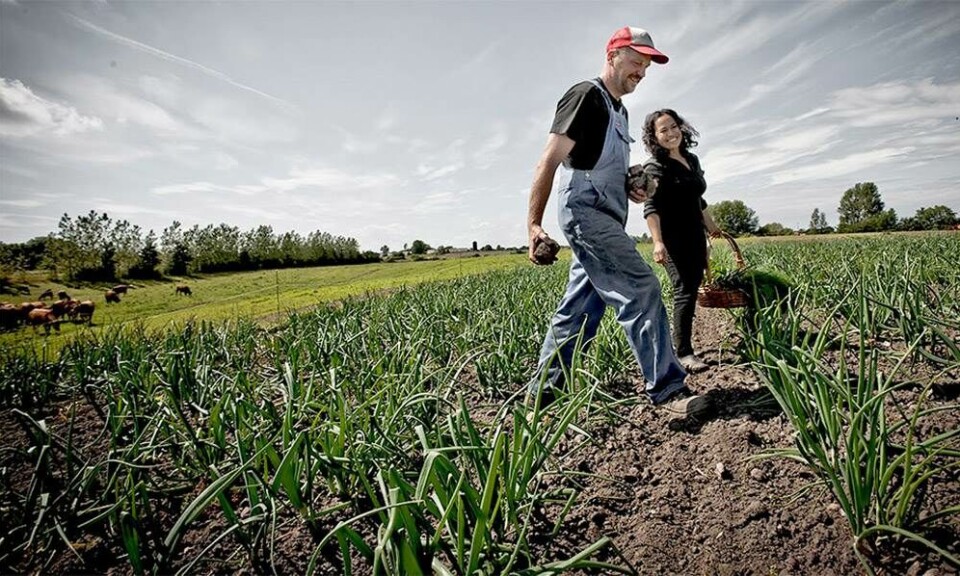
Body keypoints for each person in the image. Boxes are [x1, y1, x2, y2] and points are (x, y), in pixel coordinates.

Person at [525, 26, 710, 417]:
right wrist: (534, 225)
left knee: (578, 311)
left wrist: (632, 185)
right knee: (642, 286)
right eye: (636, 61)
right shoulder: (586, 96)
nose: (641, 72)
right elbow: (549, 160)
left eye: (646, 67)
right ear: (612, 56)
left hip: (608, 216)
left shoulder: (620, 112)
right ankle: (668, 390)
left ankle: (542, 396)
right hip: (586, 213)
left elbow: (602, 166)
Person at [640, 109, 724, 373]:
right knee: (684, 291)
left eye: (673, 126)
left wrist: (711, 227)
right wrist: (658, 242)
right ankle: (684, 353)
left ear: (681, 127)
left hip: (695, 234)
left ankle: (684, 345)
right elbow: (651, 207)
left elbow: (697, 198)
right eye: (663, 130)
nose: (670, 133)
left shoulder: (691, 159)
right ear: (654, 137)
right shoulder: (655, 167)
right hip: (672, 239)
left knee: (692, 286)